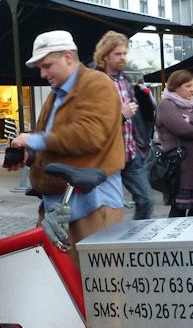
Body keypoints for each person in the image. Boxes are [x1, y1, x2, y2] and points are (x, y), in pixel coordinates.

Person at [9, 30, 125, 265]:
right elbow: (55, 140)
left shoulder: (97, 83)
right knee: (63, 288)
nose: (43, 74)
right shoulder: (57, 95)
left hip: (92, 208)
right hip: (60, 207)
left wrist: (35, 140)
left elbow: (90, 134)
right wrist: (29, 155)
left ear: (68, 57)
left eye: (47, 65)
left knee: (100, 290)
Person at [94, 31, 154, 219]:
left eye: (124, 53)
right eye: (117, 54)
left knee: (147, 200)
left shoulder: (125, 80)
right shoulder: (95, 81)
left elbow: (137, 117)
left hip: (130, 151)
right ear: (105, 55)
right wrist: (120, 116)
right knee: (110, 206)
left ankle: (137, 241)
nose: (122, 58)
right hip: (108, 154)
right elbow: (92, 121)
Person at [154, 70, 193, 217]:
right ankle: (174, 240)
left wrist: (192, 120)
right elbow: (184, 131)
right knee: (178, 210)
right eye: (188, 86)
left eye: (192, 85)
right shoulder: (166, 105)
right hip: (178, 165)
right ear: (176, 86)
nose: (192, 89)